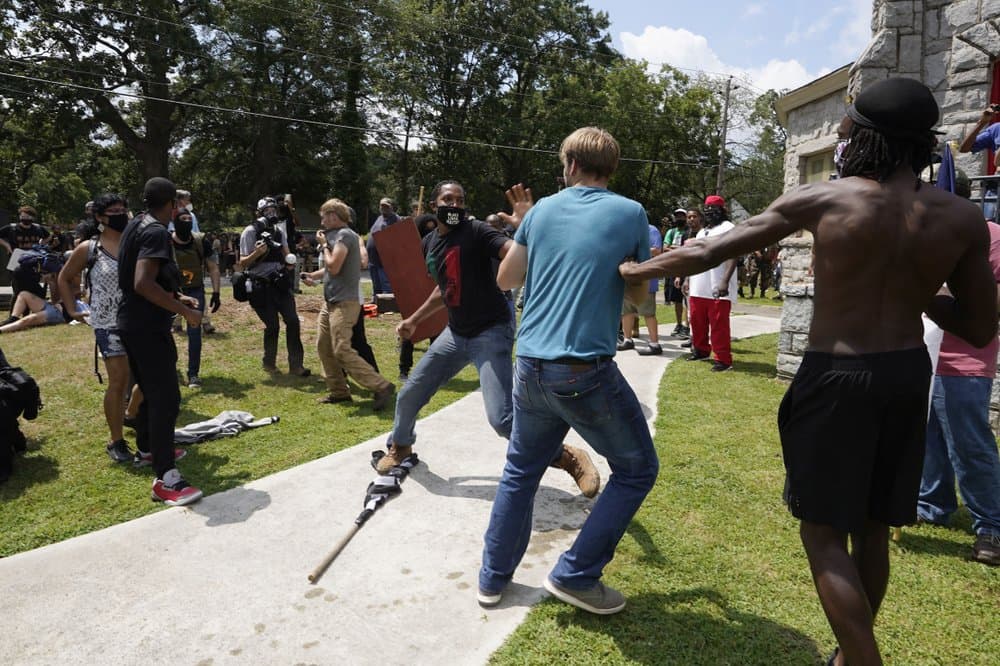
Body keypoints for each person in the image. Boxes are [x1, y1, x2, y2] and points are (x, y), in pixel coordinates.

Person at [620, 77, 998, 666]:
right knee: (872, 529)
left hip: (837, 377)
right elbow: (977, 326)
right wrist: (919, 288)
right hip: (905, 376)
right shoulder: (962, 217)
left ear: (868, 137)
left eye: (849, 126)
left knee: (822, 531)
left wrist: (630, 266)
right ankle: (851, 656)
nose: (841, 134)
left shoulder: (826, 198)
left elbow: (708, 252)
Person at [479, 127, 657, 614]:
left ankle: (492, 580)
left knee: (520, 471)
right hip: (583, 369)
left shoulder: (541, 211)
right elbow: (640, 300)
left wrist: (527, 228)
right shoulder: (631, 214)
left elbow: (506, 278)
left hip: (530, 365)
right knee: (638, 469)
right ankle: (576, 574)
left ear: (570, 165)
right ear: (610, 169)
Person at [374, 180, 599, 501]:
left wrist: (526, 232)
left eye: (460, 200)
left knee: (502, 419)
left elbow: (511, 252)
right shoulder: (429, 243)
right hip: (456, 333)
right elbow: (444, 288)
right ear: (434, 205)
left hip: (491, 332)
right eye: (447, 199)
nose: (454, 205)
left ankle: (567, 456)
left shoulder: (477, 231)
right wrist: (414, 320)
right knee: (410, 393)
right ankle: (401, 445)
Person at [917, 213, 1000, 566]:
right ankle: (932, 503)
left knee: (968, 443)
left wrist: (939, 289)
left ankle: (992, 524)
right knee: (929, 436)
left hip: (965, 359)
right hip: (922, 350)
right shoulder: (925, 233)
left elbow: (991, 301)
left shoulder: (993, 237)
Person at [118, 177, 203, 506]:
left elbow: (141, 278)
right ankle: (166, 479)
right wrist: (184, 310)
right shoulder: (155, 231)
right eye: (180, 205)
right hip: (147, 327)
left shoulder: (137, 223)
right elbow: (142, 282)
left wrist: (177, 294)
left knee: (151, 393)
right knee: (167, 397)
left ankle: (148, 450)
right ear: (172, 204)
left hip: (131, 322)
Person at [57, 193, 137, 462]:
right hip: (107, 323)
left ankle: (132, 414)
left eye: (122, 209)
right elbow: (65, 277)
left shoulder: (135, 243)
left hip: (138, 320)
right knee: (118, 381)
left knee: (152, 376)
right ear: (100, 217)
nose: (120, 214)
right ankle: (116, 440)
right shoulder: (89, 249)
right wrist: (71, 309)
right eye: (113, 210)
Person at [301, 198, 394, 408]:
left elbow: (333, 266)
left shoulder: (344, 235)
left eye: (324, 215)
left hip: (345, 303)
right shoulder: (336, 236)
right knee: (324, 347)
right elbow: (332, 270)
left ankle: (381, 385)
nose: (322, 219)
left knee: (341, 349)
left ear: (334, 216)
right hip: (331, 302)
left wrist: (324, 246)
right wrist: (313, 277)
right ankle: (339, 391)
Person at [238, 197, 310, 377]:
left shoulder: (279, 231)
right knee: (272, 326)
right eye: (267, 210)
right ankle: (269, 362)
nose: (271, 213)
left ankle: (296, 365)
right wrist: (257, 253)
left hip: (280, 283)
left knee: (293, 321)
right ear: (259, 213)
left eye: (273, 210)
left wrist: (290, 262)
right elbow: (242, 263)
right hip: (260, 286)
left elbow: (287, 254)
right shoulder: (250, 232)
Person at [685, 195, 738, 372]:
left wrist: (724, 281)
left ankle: (723, 360)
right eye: (707, 208)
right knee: (697, 321)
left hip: (718, 285)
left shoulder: (728, 228)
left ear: (722, 210)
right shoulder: (702, 232)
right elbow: (694, 258)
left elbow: (733, 255)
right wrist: (687, 278)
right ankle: (701, 350)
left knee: (718, 325)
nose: (709, 212)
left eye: (713, 208)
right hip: (698, 285)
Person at [171, 210, 221, 387]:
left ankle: (193, 374)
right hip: (171, 292)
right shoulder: (165, 242)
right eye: (182, 219)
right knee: (164, 332)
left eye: (188, 219)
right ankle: (170, 369)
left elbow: (213, 267)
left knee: (194, 332)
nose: (186, 222)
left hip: (195, 291)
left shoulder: (200, 241)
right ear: (174, 221)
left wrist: (216, 292)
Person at [618, 220, 663, 355]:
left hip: (646, 278)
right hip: (629, 277)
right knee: (627, 311)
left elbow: (656, 250)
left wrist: (636, 252)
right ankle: (627, 340)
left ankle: (654, 344)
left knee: (648, 312)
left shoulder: (651, 230)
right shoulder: (628, 232)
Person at [958, 103, 1000, 220]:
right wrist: (982, 122)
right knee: (991, 231)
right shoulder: (997, 129)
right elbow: (964, 148)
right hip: (995, 191)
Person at [662, 208, 690, 337]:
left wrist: (674, 248)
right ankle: (678, 323)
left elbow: (689, 249)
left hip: (686, 268)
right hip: (673, 268)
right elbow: (665, 248)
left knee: (687, 299)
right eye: (677, 216)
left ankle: (686, 325)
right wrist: (681, 249)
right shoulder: (671, 232)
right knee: (676, 299)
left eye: (682, 216)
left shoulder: (689, 232)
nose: (679, 218)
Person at [366, 197, 399, 297]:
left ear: (392, 207)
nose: (383, 208)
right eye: (382, 206)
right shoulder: (379, 218)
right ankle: (377, 306)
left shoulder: (396, 219)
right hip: (373, 260)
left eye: (386, 206)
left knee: (386, 288)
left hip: (384, 262)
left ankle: (388, 308)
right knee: (376, 287)